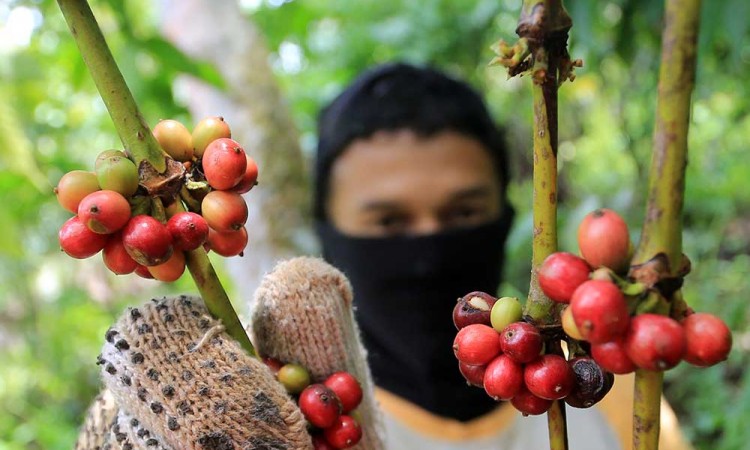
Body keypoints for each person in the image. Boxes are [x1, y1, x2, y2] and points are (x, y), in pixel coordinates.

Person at [312, 62, 692, 449]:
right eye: (389, 221)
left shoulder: (620, 400)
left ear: (504, 215)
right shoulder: (307, 423)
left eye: (464, 213)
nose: (429, 255)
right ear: (326, 232)